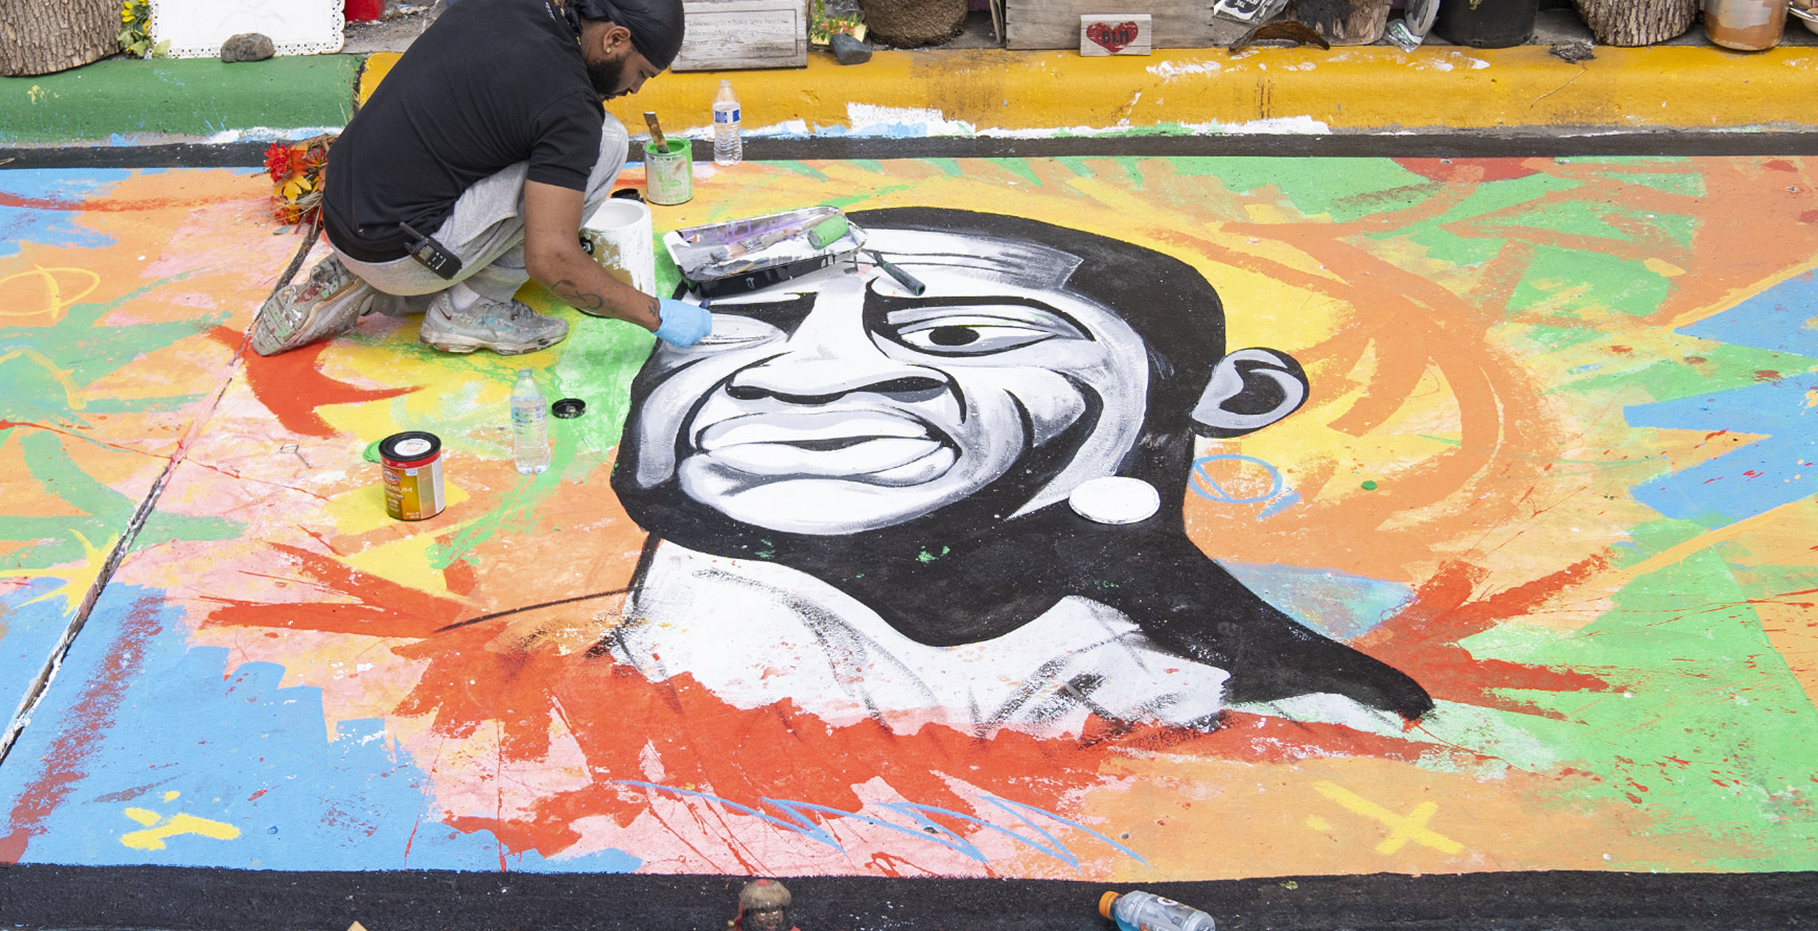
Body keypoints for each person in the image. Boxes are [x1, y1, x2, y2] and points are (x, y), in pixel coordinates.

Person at [600, 206, 1433, 730]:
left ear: (1233, 397)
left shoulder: (1298, 714)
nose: (804, 374)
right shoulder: (637, 656)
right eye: (738, 328)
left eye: (960, 334)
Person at [251, 0, 712, 358]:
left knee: (526, 144)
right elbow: (551, 260)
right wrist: (656, 314)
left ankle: (361, 277)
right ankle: (467, 309)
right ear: (615, 39)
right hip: (397, 249)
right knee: (608, 140)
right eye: (642, 74)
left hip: (345, 214)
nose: (635, 89)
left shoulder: (505, 4)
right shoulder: (570, 106)